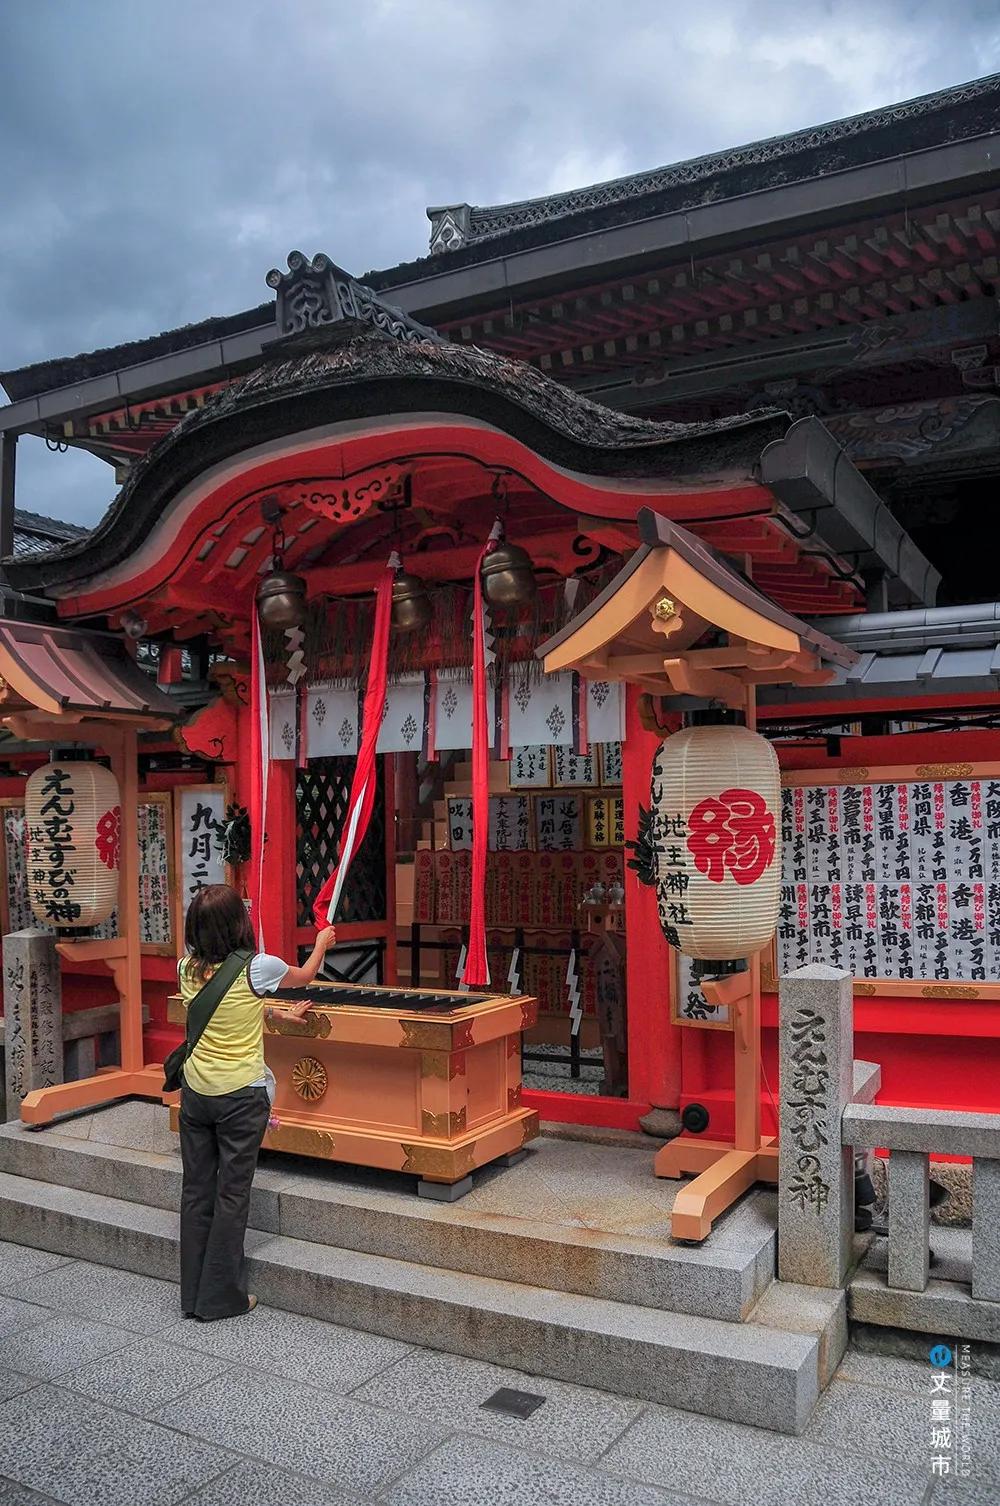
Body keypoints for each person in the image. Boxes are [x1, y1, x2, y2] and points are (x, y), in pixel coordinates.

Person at [177, 884, 336, 1321]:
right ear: (238, 923)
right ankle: (221, 1297)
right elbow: (305, 976)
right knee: (231, 1195)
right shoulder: (259, 966)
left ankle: (192, 1296)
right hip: (239, 1098)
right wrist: (321, 942)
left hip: (196, 1095)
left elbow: (228, 1010)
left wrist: (279, 1016)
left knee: (196, 1193)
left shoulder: (185, 967)